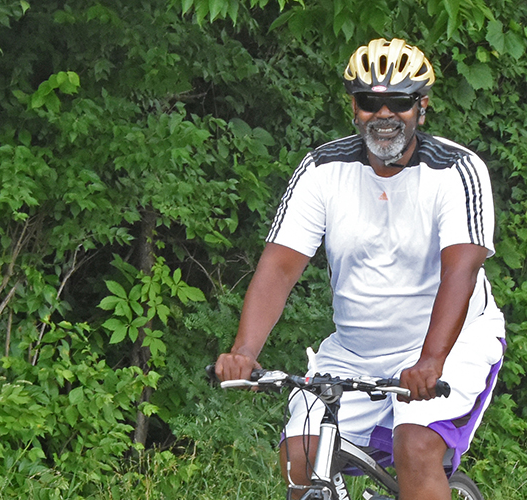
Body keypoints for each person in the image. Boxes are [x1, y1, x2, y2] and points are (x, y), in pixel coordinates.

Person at [215, 38, 506, 500]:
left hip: (449, 343)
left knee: (416, 446)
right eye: (370, 101)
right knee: (300, 460)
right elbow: (280, 266)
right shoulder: (321, 169)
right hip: (354, 350)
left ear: (421, 107)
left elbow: (461, 273)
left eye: (399, 102)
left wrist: (430, 361)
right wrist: (244, 351)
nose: (384, 114)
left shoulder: (457, 171)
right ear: (354, 106)